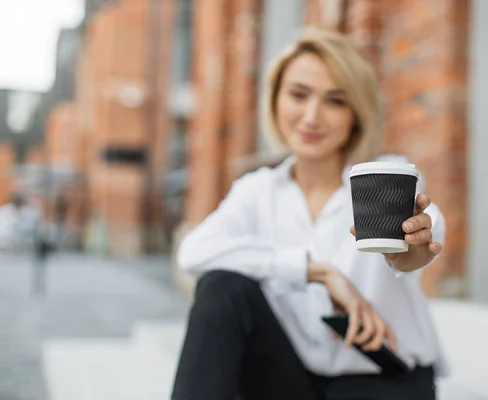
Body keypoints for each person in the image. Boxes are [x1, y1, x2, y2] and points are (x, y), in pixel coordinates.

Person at [172, 27, 448, 400]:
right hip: (290, 381)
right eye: (298, 95)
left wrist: (414, 246)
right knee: (221, 287)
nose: (311, 116)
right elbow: (194, 253)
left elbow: (421, 235)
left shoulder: (385, 176)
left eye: (335, 101)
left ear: (356, 113)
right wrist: (317, 272)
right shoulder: (258, 190)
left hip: (382, 379)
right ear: (275, 100)